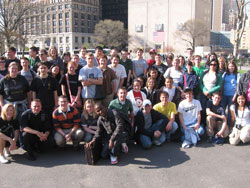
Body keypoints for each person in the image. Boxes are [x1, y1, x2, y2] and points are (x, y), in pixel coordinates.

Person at [200, 59, 222, 124]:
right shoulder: (204, 72)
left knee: (211, 110)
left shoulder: (218, 74)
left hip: (213, 95)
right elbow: (200, 83)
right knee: (203, 109)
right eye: (211, 64)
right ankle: (203, 124)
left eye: (214, 65)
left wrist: (209, 92)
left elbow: (219, 85)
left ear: (217, 66)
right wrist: (204, 90)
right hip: (204, 93)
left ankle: (211, 125)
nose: (213, 66)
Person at [221, 61, 241, 127]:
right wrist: (221, 94)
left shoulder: (237, 75)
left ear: (235, 67)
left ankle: (229, 126)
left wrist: (235, 96)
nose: (231, 67)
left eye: (232, 66)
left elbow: (238, 87)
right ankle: (222, 125)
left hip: (232, 95)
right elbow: (222, 84)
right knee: (222, 110)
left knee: (230, 112)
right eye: (229, 66)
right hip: (224, 94)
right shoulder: (225, 74)